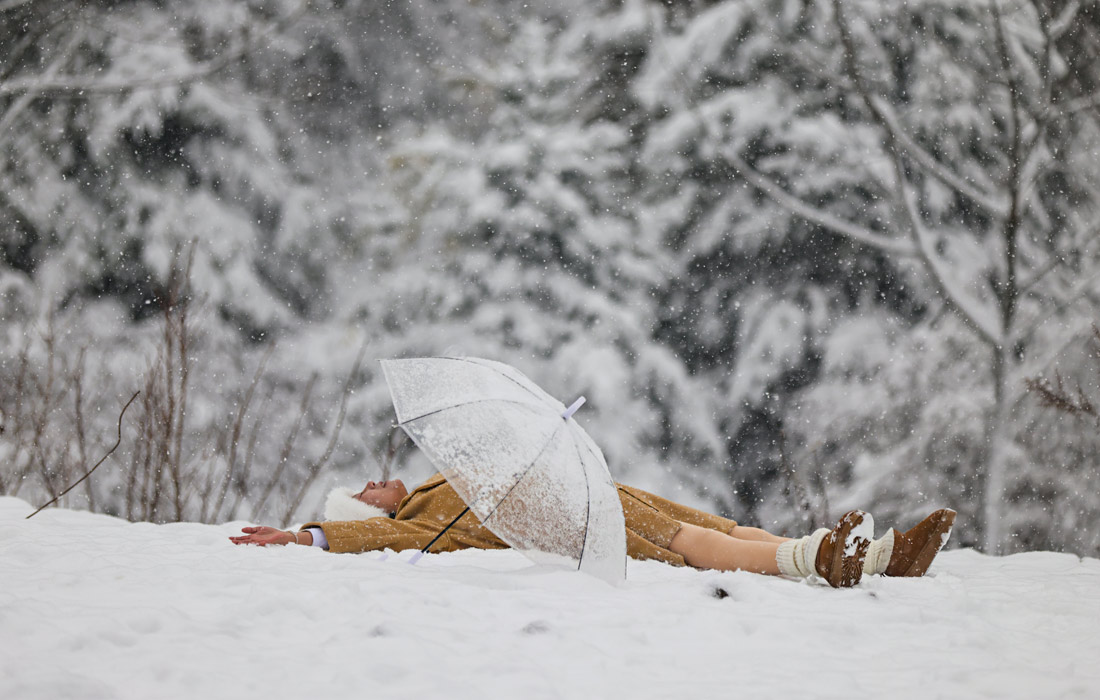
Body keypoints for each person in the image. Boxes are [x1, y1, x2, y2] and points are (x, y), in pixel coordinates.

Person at [230, 474, 956, 587]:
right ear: (374, 513)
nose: (372, 480)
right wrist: (304, 536)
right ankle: (819, 560)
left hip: (594, 492)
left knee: (720, 525)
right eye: (362, 493)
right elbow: (368, 540)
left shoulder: (430, 486)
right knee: (692, 545)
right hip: (575, 519)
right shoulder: (421, 524)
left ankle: (875, 558)